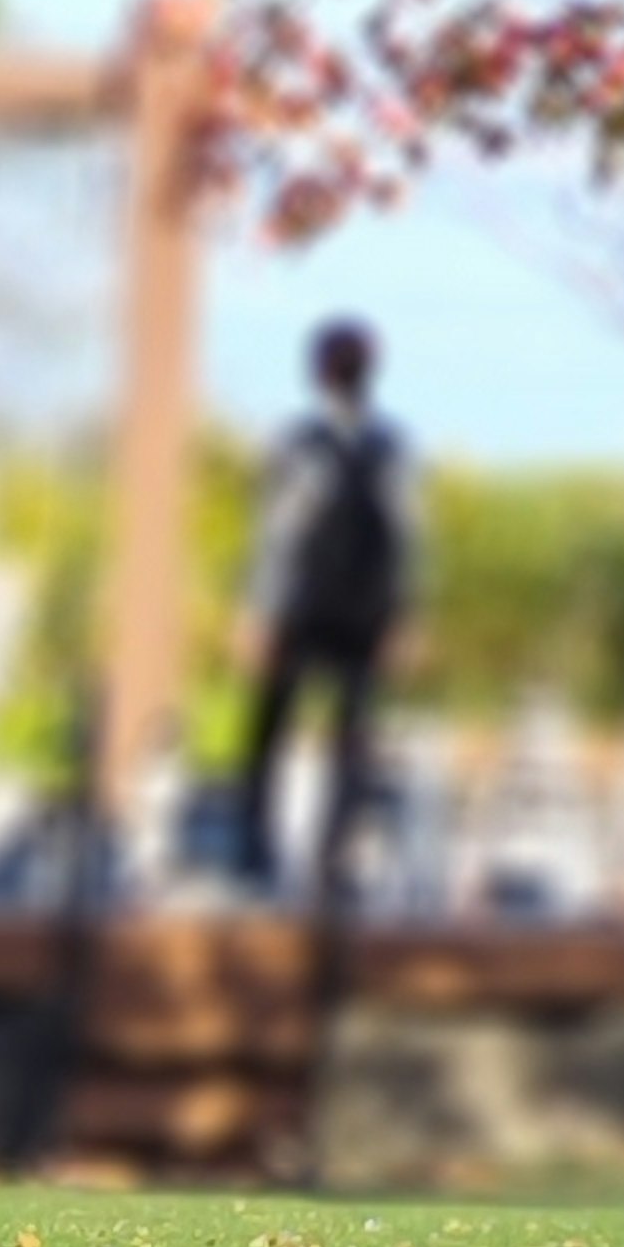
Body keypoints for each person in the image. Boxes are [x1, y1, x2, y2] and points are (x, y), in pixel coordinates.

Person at [236, 317, 420, 905]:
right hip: (342, 605)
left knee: (313, 729)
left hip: (323, 605)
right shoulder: (382, 446)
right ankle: (289, 851)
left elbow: (278, 533)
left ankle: (299, 852)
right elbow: (410, 536)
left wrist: (259, 608)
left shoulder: (313, 445)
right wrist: (404, 612)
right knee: (317, 728)